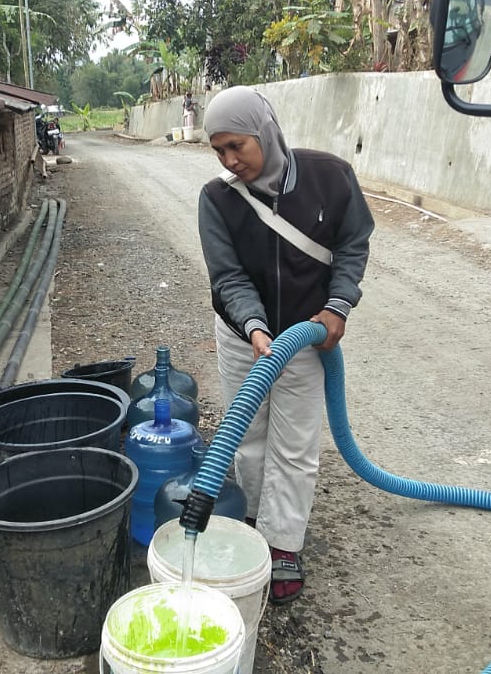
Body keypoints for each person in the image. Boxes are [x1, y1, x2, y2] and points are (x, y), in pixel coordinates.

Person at [197, 85, 373, 604]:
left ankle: (283, 544)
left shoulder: (331, 177)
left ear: (265, 132)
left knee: (294, 443)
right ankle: (253, 521)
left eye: (238, 146)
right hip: (241, 337)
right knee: (248, 430)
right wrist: (254, 328)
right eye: (219, 151)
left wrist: (338, 305)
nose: (231, 161)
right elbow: (227, 277)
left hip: (304, 338)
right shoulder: (218, 199)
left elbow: (352, 243)